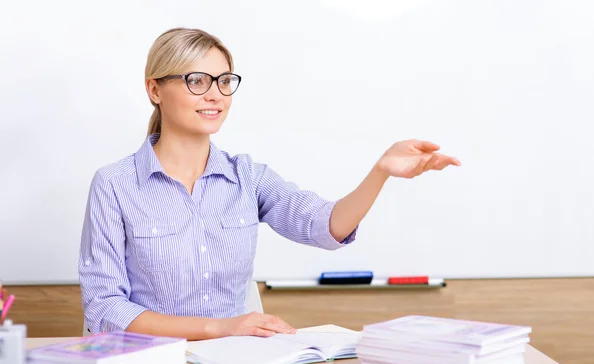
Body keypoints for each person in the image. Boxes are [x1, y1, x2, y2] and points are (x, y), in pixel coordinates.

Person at [78, 27, 460, 341]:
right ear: (154, 90)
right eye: (197, 80)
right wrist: (218, 328)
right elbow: (106, 307)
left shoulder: (248, 177)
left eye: (224, 81)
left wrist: (380, 171)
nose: (215, 94)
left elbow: (326, 226)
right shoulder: (114, 185)